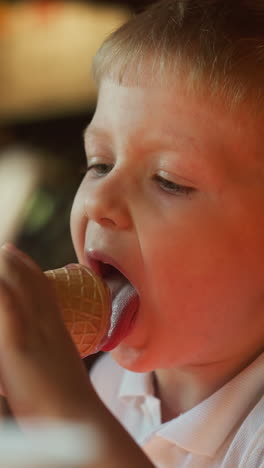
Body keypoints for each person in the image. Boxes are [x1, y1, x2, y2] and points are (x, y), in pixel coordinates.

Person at [0, 0, 263, 466]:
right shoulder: (105, 385)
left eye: (169, 180)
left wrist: (65, 413)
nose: (99, 201)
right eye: (99, 163)